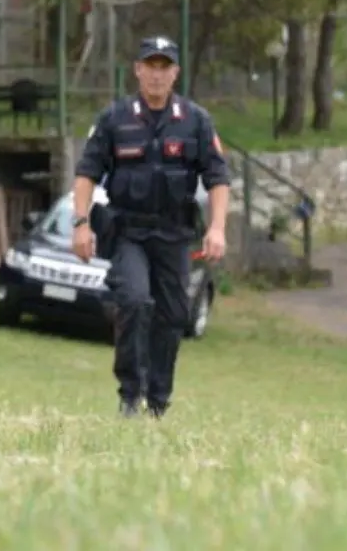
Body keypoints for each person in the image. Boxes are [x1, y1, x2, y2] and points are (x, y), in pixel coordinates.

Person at [71, 36, 230, 419]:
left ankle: (158, 401)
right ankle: (130, 394)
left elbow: (218, 178)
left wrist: (218, 228)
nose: (157, 75)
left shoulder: (196, 121)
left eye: (165, 67)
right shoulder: (114, 118)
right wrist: (80, 224)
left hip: (174, 234)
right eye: (150, 66)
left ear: (175, 73)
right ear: (138, 70)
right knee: (134, 300)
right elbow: (86, 175)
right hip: (129, 232)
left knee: (173, 316)